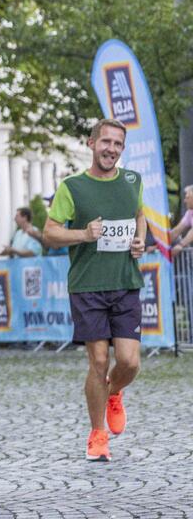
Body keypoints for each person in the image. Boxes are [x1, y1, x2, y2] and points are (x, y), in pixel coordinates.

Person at [43, 117, 146, 464]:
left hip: (125, 282)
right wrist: (83, 235)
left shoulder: (133, 181)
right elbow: (50, 232)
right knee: (99, 361)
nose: (111, 149)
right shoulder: (72, 187)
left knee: (130, 362)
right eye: (106, 142)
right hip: (87, 286)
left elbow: (138, 215)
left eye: (118, 144)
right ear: (91, 144)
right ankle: (97, 434)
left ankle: (113, 392)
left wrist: (140, 240)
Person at [170, 184, 193, 255]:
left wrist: (181, 244)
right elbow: (176, 231)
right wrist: (158, 246)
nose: (185, 201)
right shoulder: (189, 212)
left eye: (187, 197)